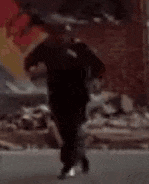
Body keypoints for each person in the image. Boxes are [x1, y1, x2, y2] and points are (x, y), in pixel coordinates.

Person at [23, 24, 105, 179]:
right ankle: (80, 156)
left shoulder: (80, 48)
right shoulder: (47, 48)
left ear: (68, 34)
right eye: (56, 34)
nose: (60, 37)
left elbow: (98, 67)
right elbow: (29, 62)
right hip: (57, 95)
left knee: (73, 128)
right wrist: (34, 72)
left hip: (78, 95)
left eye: (63, 34)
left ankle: (68, 164)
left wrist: (92, 81)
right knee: (65, 130)